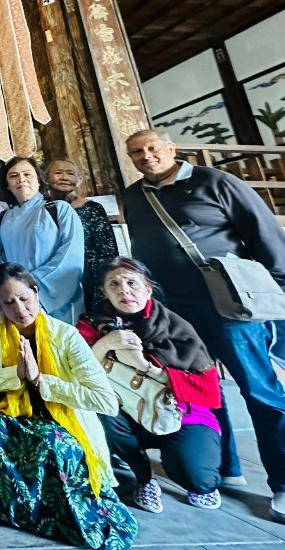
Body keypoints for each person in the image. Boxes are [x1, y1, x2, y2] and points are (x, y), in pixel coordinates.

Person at [121, 128, 285, 522]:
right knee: (201, 389)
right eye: (137, 152)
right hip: (175, 312)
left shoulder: (214, 182)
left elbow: (263, 232)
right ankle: (225, 466)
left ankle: (282, 482)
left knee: (259, 389)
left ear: (171, 148)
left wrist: (278, 286)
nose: (146, 156)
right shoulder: (134, 196)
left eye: (153, 148)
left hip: (229, 306)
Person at [0, 262, 135, 549]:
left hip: (63, 422)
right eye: (8, 303)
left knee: (54, 443)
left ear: (36, 292)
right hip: (9, 416)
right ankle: (20, 512)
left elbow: (105, 401)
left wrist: (40, 380)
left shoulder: (66, 336)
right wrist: (16, 375)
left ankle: (64, 517)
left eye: (24, 298)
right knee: (3, 432)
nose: (20, 309)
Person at [78, 258, 223, 513]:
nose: (124, 290)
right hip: (126, 411)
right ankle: (144, 477)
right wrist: (105, 344)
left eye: (132, 283)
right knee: (99, 414)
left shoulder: (176, 327)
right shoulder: (92, 324)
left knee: (199, 480)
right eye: (114, 284)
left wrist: (148, 367)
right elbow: (77, 375)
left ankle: (188, 465)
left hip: (179, 411)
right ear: (104, 292)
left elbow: (207, 388)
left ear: (148, 289)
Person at [0, 156, 85, 324]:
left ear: (39, 180)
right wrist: (13, 288)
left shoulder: (58, 209)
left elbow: (70, 255)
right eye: (13, 175)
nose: (21, 179)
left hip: (58, 297)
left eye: (27, 174)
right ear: (7, 185)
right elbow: (1, 258)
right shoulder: (4, 218)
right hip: (18, 302)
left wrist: (29, 287)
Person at [47, 158, 118, 313]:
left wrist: (105, 283)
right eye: (58, 173)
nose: (64, 177)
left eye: (70, 173)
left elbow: (107, 249)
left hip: (89, 276)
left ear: (78, 180)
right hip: (54, 278)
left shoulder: (93, 208)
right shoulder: (43, 210)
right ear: (46, 179)